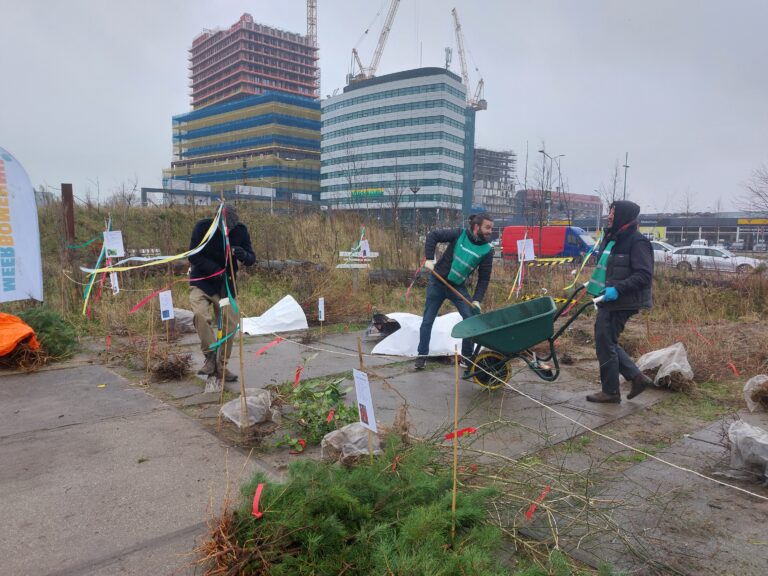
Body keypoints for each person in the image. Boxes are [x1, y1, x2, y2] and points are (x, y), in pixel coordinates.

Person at [586, 200, 654, 403]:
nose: (609, 216)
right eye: (610, 212)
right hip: (608, 298)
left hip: (623, 300)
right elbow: (608, 268)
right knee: (606, 341)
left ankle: (611, 391)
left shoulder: (637, 241)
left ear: (624, 215)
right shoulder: (613, 238)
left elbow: (644, 274)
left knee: (605, 341)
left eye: (613, 213)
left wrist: (618, 289)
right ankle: (636, 377)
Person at [415, 213, 494, 370]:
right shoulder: (459, 234)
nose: (490, 231)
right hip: (437, 283)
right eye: (487, 227)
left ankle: (467, 358)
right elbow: (433, 236)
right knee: (427, 321)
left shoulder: (487, 250)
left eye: (491, 228)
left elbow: (483, 279)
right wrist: (429, 259)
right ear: (477, 227)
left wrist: (477, 299)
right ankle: (421, 356)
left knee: (470, 319)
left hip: (457, 286)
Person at [188, 204, 256, 380]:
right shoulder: (203, 228)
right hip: (202, 282)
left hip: (225, 286)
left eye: (230, 227)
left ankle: (221, 366)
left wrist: (243, 255)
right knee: (200, 315)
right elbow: (193, 255)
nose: (227, 230)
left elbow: (251, 259)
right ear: (217, 220)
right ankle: (210, 357)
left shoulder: (240, 231)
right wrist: (214, 269)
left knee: (231, 323)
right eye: (224, 226)